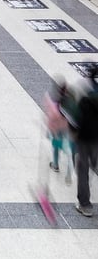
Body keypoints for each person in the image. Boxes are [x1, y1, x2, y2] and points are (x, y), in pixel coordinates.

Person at [74, 82, 98, 217]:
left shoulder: (84, 102)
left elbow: (76, 120)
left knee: (83, 171)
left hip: (83, 141)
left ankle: (85, 205)